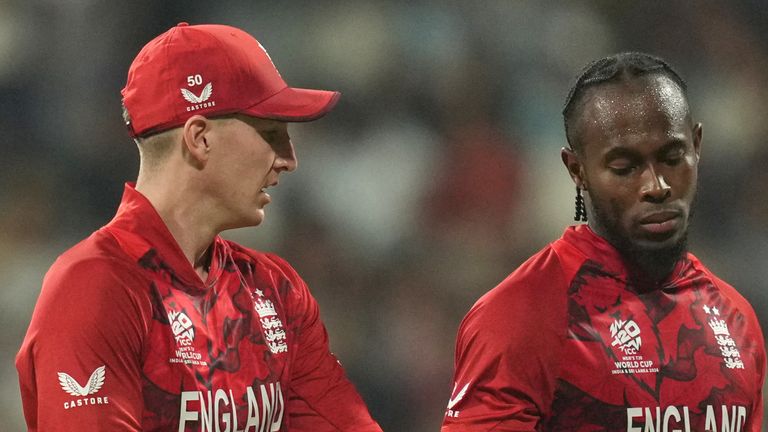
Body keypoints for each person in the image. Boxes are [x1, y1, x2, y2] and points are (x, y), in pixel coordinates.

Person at [16, 23, 382, 432]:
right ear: (200, 138)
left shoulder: (277, 290)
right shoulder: (95, 288)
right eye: (272, 133)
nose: (288, 158)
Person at [441, 52, 765, 431]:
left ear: (697, 145)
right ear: (577, 170)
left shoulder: (735, 317)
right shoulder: (520, 318)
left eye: (672, 157)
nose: (656, 186)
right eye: (624, 167)